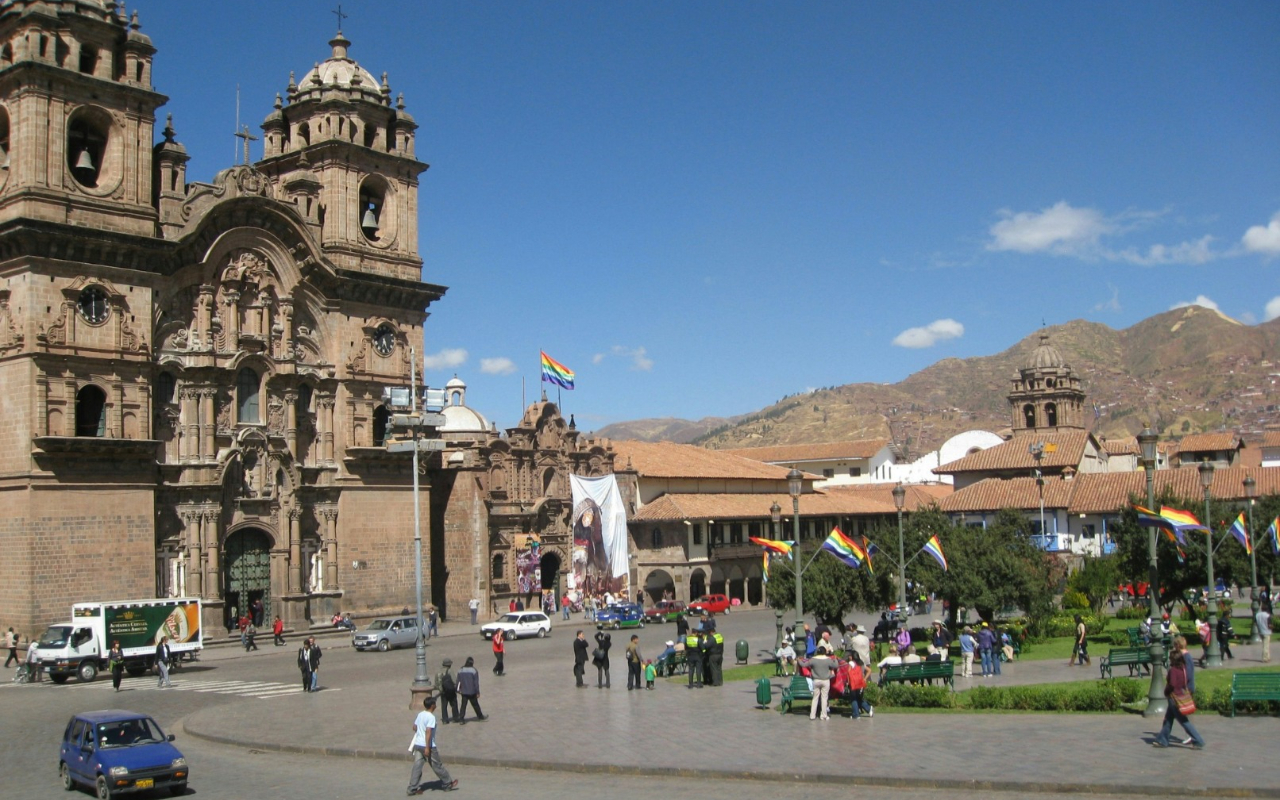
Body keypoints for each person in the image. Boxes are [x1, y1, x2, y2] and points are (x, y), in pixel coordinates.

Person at [1153, 636, 1205, 749]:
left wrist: (1167, 691)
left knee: (1183, 720)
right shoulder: (1182, 667)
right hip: (1179, 693)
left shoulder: (1176, 668)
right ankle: (1163, 739)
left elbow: (1173, 683)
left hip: (1175, 696)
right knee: (1168, 719)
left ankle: (1198, 740)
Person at [407, 695, 457, 795]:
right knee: (437, 765)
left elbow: (414, 727)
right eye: (434, 703)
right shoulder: (431, 717)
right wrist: (427, 747)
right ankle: (447, 783)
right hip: (428, 745)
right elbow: (428, 732)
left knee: (417, 766)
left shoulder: (420, 714)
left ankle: (412, 788)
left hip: (417, 744)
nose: (436, 705)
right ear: (432, 706)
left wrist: (420, 730)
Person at [800, 643, 835, 721]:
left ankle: (812, 715)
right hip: (825, 680)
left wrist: (799, 660)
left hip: (816, 680)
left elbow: (804, 665)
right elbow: (835, 665)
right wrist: (834, 659)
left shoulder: (813, 659)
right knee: (824, 698)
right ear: (825, 652)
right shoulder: (828, 659)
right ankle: (823, 715)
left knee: (815, 698)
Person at [455, 657, 485, 723]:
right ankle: (480, 716)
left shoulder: (461, 670)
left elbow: (458, 681)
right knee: (475, 705)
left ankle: (461, 719)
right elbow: (476, 683)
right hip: (472, 691)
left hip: (464, 691)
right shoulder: (474, 671)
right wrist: (477, 692)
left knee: (463, 705)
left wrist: (458, 689)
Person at [436, 659, 459, 724]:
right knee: (454, 704)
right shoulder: (449, 671)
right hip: (450, 691)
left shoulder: (438, 671)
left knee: (444, 705)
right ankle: (456, 717)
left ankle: (445, 719)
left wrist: (440, 688)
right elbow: (454, 680)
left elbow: (436, 682)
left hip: (442, 691)